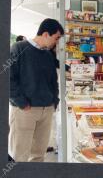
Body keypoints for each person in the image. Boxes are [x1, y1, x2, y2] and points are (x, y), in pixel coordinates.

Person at [9, 18, 64, 162]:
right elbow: (8, 79)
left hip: (46, 110)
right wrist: (21, 102)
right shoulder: (18, 48)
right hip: (25, 111)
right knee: (20, 155)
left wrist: (55, 101)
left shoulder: (48, 54)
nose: (56, 42)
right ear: (46, 34)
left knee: (39, 155)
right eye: (56, 38)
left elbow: (53, 81)